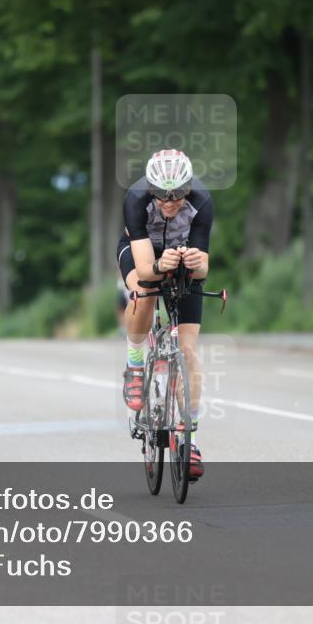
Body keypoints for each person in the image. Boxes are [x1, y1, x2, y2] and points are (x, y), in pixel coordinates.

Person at [117, 149, 212, 481]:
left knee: (188, 350)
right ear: (150, 189)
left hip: (182, 257)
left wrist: (195, 263)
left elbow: (204, 271)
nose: (170, 202)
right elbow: (145, 269)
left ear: (189, 187)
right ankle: (134, 363)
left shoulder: (202, 200)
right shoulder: (135, 198)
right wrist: (160, 265)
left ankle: (191, 440)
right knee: (144, 293)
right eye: (161, 195)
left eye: (178, 194)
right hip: (143, 254)